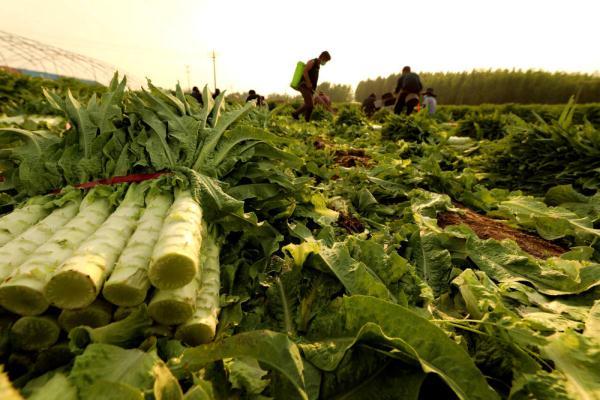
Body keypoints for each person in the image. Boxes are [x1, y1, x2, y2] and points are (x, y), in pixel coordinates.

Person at [292, 51, 331, 121]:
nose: (325, 62)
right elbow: (305, 71)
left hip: (310, 88)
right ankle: (299, 116)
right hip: (304, 85)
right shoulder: (313, 62)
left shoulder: (318, 66)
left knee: (310, 105)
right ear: (322, 57)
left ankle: (300, 116)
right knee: (310, 104)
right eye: (325, 60)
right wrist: (308, 82)